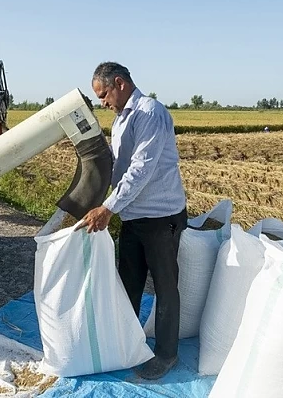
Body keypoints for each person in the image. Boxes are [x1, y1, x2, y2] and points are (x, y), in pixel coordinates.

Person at [76, 61, 188, 381]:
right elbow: (118, 167)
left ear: (120, 83)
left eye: (104, 95)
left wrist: (108, 208)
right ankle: (126, 343)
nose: (103, 102)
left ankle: (167, 355)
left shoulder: (149, 113)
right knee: (129, 284)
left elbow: (141, 170)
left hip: (160, 217)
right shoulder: (122, 119)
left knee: (165, 287)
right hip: (134, 216)